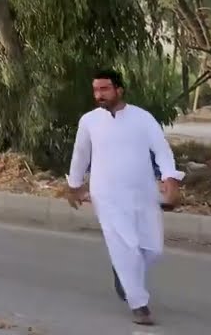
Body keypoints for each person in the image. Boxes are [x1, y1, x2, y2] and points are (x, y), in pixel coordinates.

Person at [65, 68, 183, 326]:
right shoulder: (89, 121)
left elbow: (162, 150)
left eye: (104, 89)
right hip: (106, 195)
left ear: (119, 90)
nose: (99, 95)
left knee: (152, 249)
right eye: (96, 90)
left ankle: (123, 272)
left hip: (144, 193)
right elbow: (80, 155)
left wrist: (170, 179)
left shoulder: (143, 118)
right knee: (126, 248)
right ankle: (139, 304)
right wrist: (74, 185)